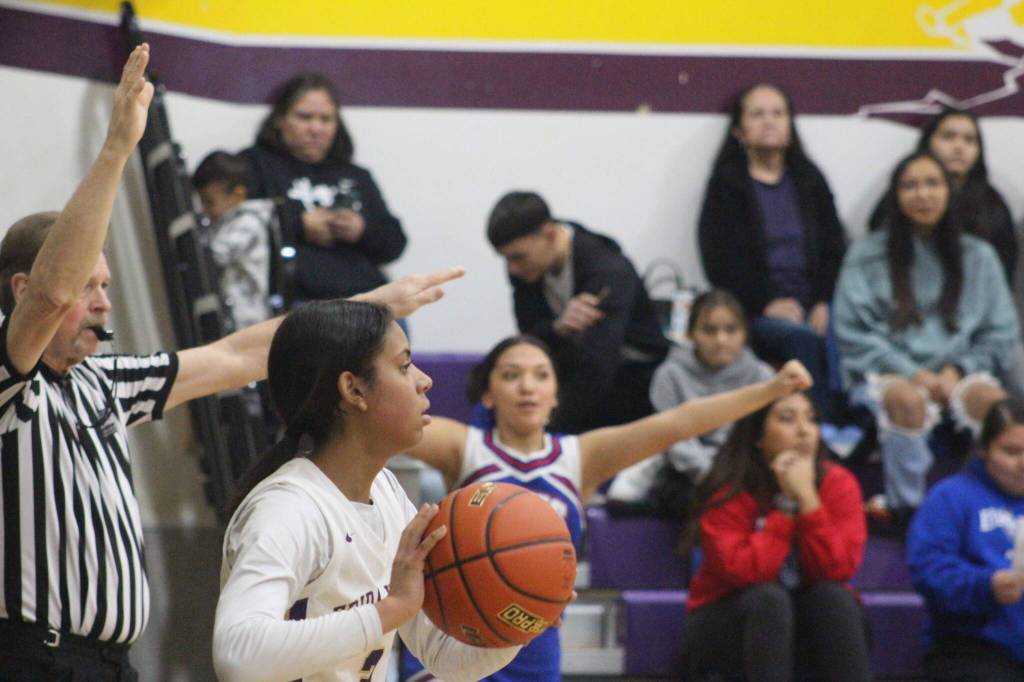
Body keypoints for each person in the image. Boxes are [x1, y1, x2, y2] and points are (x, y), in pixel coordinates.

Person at [0, 45, 463, 682]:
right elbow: (55, 291)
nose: (103, 301)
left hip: (108, 662)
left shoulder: (101, 381)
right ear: (24, 292)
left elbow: (236, 354)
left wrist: (367, 307)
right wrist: (116, 151)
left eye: (107, 283)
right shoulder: (11, 381)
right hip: (30, 658)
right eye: (89, 284)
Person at [400, 334, 812, 682]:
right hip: (458, 631)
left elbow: (679, 423)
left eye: (541, 375)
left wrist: (771, 390)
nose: (527, 386)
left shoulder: (580, 457)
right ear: (488, 394)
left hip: (534, 641)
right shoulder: (464, 447)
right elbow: (385, 418)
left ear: (555, 393)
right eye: (511, 375)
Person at [213, 300, 520, 682]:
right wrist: (390, 610)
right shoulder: (287, 509)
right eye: (404, 366)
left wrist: (521, 615)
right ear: (353, 389)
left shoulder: (387, 493)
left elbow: (442, 657)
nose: (424, 380)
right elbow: (238, 656)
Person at [833, 151, 1018, 526]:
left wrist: (957, 370)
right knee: (906, 400)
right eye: (910, 185)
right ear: (896, 196)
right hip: (885, 373)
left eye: (932, 184)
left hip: (959, 372)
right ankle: (909, 514)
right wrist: (912, 374)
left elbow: (1001, 332)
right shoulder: (866, 254)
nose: (923, 195)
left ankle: (994, 506)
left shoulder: (979, 256)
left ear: (949, 192)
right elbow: (852, 332)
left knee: (997, 406)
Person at [679, 392, 871, 682]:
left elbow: (837, 569)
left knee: (835, 598)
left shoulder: (838, 483)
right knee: (768, 600)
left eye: (811, 419)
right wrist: (785, 508)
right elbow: (746, 572)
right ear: (758, 436)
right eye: (787, 419)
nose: (804, 430)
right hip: (727, 622)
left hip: (804, 623)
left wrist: (808, 499)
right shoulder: (728, 489)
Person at [697, 83, 847, 421]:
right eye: (758, 114)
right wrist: (766, 302)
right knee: (802, 340)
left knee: (846, 327)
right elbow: (718, 261)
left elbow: (835, 247)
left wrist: (823, 299)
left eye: (778, 113)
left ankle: (857, 421)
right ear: (739, 130)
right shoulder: (727, 185)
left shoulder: (809, 180)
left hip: (816, 303)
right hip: (756, 310)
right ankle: (820, 426)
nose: (770, 121)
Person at [486, 190, 670, 434]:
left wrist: (542, 432)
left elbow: (597, 367)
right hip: (577, 373)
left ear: (550, 234)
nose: (512, 268)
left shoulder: (608, 269)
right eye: (506, 259)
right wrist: (557, 327)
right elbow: (529, 336)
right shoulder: (525, 269)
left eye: (518, 257)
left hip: (634, 382)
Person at [607, 288, 773, 518]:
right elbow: (670, 436)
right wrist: (709, 474)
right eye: (709, 330)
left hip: (742, 466)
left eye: (731, 330)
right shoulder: (669, 374)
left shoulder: (762, 377)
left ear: (744, 333)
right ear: (690, 334)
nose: (721, 339)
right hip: (686, 468)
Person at [243, 72, 407, 302]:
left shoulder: (356, 175)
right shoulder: (253, 165)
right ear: (280, 119)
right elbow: (233, 230)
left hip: (365, 301)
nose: (316, 128)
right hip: (292, 303)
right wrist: (298, 225)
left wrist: (361, 231)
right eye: (305, 117)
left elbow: (395, 243)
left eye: (326, 119)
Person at [907, 398, 1024, 682]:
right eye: (1011, 451)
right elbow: (929, 571)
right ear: (984, 450)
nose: (1023, 464)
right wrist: (986, 585)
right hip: (973, 650)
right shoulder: (951, 497)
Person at [868, 108, 1017, 284]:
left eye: (969, 140)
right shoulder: (902, 196)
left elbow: (1001, 280)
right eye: (948, 136)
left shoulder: (994, 206)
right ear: (928, 142)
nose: (959, 147)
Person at [193, 150, 277, 330]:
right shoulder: (225, 221)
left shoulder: (249, 222)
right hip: (232, 309)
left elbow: (217, 254)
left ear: (238, 195)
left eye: (209, 202)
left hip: (247, 313)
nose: (204, 209)